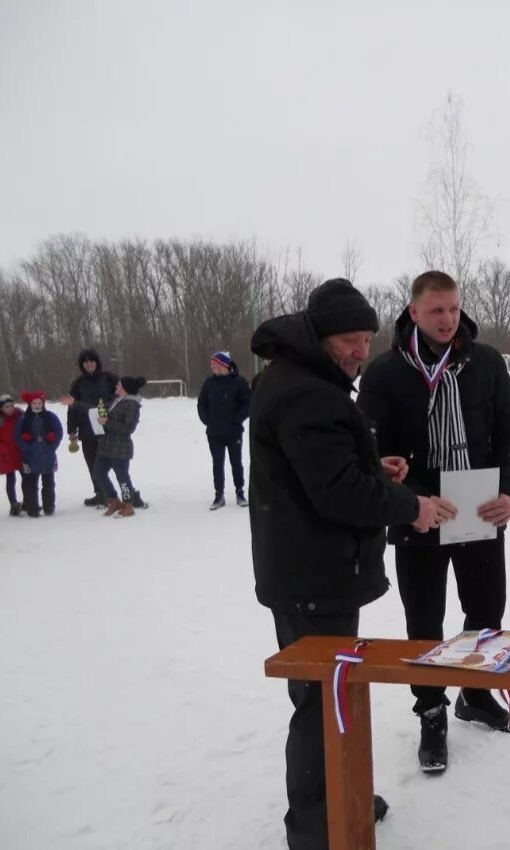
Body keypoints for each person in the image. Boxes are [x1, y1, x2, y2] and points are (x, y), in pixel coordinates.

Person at [250, 278, 442, 846]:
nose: (362, 351)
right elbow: (336, 494)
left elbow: (319, 472)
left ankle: (340, 791)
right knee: (320, 701)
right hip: (313, 577)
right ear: (320, 337)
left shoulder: (303, 380)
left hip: (311, 572)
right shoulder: (309, 392)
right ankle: (317, 826)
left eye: (367, 339)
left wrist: (368, 466)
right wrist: (412, 506)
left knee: (329, 693)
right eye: (351, 341)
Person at [356, 270, 510, 775]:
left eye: (453, 308)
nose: (448, 319)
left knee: (486, 612)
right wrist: (408, 495)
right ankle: (431, 711)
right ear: (413, 312)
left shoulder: (487, 361)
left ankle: (475, 697)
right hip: (420, 513)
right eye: (436, 310)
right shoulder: (385, 371)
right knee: (424, 624)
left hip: (479, 509)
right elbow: (370, 451)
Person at [63, 377, 148, 516]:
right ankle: (114, 501)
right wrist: (75, 403)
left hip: (120, 448)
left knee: (122, 477)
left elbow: (128, 428)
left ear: (125, 388)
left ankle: (128, 505)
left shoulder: (132, 405)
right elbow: (96, 410)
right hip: (106, 446)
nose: (117, 385)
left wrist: (107, 422)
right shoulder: (116, 401)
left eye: (119, 384)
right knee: (98, 473)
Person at [197, 350, 252, 510]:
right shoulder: (208, 383)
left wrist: (237, 419)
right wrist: (207, 420)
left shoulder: (239, 382)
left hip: (233, 431)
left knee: (236, 463)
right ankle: (219, 494)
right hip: (214, 433)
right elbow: (201, 404)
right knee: (217, 464)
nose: (212, 367)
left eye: (215, 364)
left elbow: (248, 403)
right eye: (211, 364)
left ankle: (240, 492)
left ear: (224, 365)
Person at [65, 348, 119, 507]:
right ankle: (100, 494)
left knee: (113, 462)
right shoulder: (77, 383)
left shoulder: (109, 378)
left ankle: (119, 492)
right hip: (87, 428)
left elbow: (119, 398)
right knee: (93, 463)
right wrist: (72, 430)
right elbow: (71, 407)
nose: (89, 364)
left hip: (107, 426)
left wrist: (106, 409)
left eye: (91, 361)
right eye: (85, 362)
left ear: (97, 362)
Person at [16, 391, 63, 518]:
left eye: (39, 403)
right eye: (34, 403)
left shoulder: (51, 416)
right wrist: (27, 448)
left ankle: (49, 507)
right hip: (30, 456)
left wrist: (52, 446)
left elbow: (59, 432)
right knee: (30, 483)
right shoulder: (23, 419)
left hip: (48, 454)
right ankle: (32, 508)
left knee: (48, 482)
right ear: (30, 404)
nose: (37, 405)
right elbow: (18, 437)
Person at [0, 393, 24, 516]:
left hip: (20, 452)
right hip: (6, 456)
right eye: (7, 406)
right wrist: (5, 449)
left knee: (27, 477)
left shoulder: (20, 416)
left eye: (12, 406)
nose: (10, 409)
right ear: (1, 408)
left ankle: (28, 501)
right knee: (10, 479)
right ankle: (13, 504)